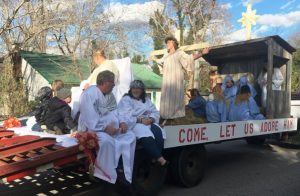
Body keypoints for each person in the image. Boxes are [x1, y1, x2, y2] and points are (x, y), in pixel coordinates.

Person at [78, 70, 136, 184]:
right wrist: (105, 128)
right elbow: (90, 118)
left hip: (112, 129)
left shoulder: (109, 95)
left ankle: (126, 170)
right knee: (107, 142)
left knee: (130, 136)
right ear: (105, 82)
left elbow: (116, 112)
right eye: (113, 83)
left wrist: (122, 122)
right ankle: (104, 174)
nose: (114, 85)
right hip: (94, 129)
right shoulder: (89, 94)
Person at [151, 36, 209, 119]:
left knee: (175, 97)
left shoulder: (179, 53)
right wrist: (154, 59)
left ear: (174, 43)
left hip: (176, 80)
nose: (167, 44)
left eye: (169, 42)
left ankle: (175, 116)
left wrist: (202, 53)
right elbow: (160, 62)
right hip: (167, 82)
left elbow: (189, 59)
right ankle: (164, 116)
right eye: (166, 43)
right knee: (166, 98)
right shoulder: (166, 55)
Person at [118, 80, 167, 166]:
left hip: (148, 121)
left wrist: (151, 119)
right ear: (131, 89)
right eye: (134, 88)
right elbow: (125, 115)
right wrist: (140, 120)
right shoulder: (126, 100)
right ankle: (160, 158)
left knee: (159, 133)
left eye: (138, 88)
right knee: (146, 135)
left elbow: (154, 111)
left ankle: (154, 158)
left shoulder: (146, 100)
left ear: (142, 90)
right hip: (134, 123)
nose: (136, 90)